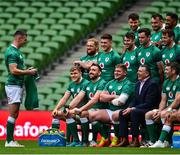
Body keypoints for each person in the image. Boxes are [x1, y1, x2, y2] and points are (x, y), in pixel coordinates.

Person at [77, 64, 134, 147]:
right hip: (110, 110)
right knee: (91, 115)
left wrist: (109, 99)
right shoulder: (111, 82)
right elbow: (101, 98)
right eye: (115, 71)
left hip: (124, 111)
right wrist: (114, 97)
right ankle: (106, 137)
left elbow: (121, 102)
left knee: (115, 115)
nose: (116, 73)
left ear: (125, 73)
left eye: (119, 71)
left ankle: (116, 138)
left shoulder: (128, 83)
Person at [4, 30, 37, 147]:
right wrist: (27, 72)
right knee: (13, 113)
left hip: (16, 85)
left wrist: (27, 71)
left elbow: (17, 69)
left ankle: (10, 140)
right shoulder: (12, 52)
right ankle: (9, 141)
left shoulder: (16, 52)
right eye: (25, 39)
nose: (26, 41)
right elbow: (13, 70)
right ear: (19, 38)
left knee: (15, 113)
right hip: (13, 85)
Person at [118, 65, 161, 147]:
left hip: (150, 109)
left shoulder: (152, 84)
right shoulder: (138, 83)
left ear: (147, 73)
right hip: (139, 109)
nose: (138, 72)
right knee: (122, 113)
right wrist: (129, 107)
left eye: (140, 71)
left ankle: (135, 139)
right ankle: (124, 139)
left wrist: (133, 108)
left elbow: (149, 103)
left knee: (134, 112)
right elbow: (135, 100)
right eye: (138, 70)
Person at [69, 63, 108, 146]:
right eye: (90, 70)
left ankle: (90, 140)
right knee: (69, 114)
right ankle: (76, 141)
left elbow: (94, 100)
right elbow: (79, 97)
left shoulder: (102, 82)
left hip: (102, 110)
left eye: (94, 70)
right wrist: (69, 107)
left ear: (99, 73)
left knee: (84, 113)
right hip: (91, 110)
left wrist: (80, 109)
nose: (91, 72)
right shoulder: (88, 84)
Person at [51, 65, 89, 146]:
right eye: (71, 74)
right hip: (75, 111)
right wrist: (56, 109)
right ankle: (55, 139)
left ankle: (80, 141)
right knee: (56, 114)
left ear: (80, 73)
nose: (73, 75)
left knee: (68, 113)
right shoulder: (71, 84)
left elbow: (78, 99)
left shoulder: (85, 83)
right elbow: (64, 98)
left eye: (75, 73)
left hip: (85, 110)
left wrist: (68, 108)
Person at [147, 62, 180, 148]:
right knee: (148, 115)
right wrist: (160, 110)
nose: (164, 71)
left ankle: (165, 141)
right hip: (168, 109)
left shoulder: (179, 81)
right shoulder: (166, 82)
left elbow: (177, 101)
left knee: (164, 114)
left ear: (173, 71)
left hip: (175, 108)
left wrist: (165, 110)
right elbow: (163, 100)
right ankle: (153, 141)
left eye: (167, 69)